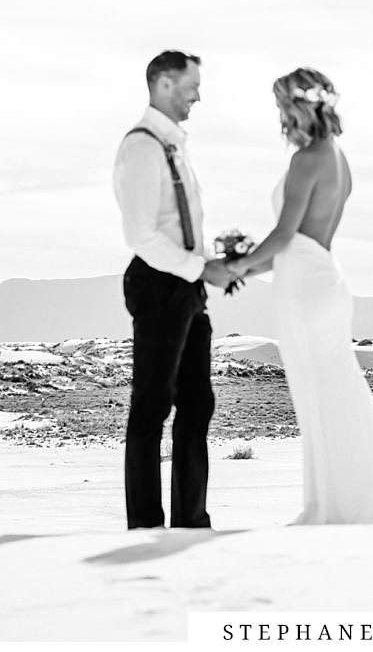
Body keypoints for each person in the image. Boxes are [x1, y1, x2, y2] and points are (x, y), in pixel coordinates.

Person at [225, 67, 373, 524]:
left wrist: (234, 265)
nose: (280, 119)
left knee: (318, 398)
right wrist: (247, 266)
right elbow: (300, 244)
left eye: (281, 108)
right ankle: (347, 503)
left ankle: (332, 508)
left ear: (298, 107)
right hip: (325, 282)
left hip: (304, 293)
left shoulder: (306, 159)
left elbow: (283, 235)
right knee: (336, 394)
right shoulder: (339, 159)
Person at [112, 50, 238, 529]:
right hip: (159, 285)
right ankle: (145, 525)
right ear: (164, 84)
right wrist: (201, 268)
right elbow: (141, 235)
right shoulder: (142, 146)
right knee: (152, 405)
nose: (198, 95)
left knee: (198, 403)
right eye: (191, 86)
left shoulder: (175, 145)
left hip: (186, 286)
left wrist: (206, 265)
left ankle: (191, 521)